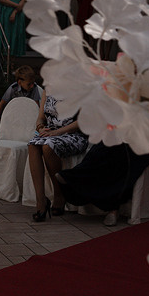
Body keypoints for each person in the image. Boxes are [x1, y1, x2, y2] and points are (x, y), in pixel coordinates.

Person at [27, 93, 89, 222]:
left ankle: (59, 193)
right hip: (50, 133)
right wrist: (41, 128)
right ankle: (41, 201)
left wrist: (57, 132)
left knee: (48, 146)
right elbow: (40, 118)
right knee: (32, 145)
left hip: (75, 134)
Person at [0, 64, 42, 139]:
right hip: (14, 119)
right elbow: (1, 105)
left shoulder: (34, 89)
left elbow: (36, 108)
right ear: (19, 82)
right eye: (29, 84)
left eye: (33, 83)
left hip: (27, 119)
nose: (31, 86)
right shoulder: (13, 89)